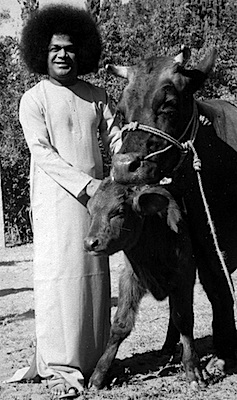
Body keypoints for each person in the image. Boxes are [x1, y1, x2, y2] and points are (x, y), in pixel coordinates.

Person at [8, 4, 122, 399]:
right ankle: (59, 365)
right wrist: (88, 186)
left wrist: (120, 177)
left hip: (97, 206)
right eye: (55, 48)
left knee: (93, 280)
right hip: (56, 202)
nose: (62, 55)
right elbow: (43, 153)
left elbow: (117, 139)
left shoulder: (97, 96)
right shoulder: (33, 99)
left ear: (81, 52)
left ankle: (91, 360)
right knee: (59, 280)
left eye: (70, 48)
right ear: (42, 51)